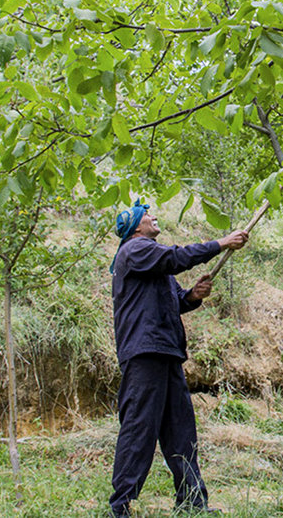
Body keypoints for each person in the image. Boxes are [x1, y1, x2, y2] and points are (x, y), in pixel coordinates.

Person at [108, 200, 249, 517]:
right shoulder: (135, 250)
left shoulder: (151, 262)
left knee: (181, 431)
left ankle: (192, 503)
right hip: (144, 354)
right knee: (140, 427)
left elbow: (174, 301)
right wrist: (221, 243)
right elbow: (176, 257)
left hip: (166, 352)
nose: (154, 217)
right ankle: (120, 506)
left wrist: (192, 296)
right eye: (147, 215)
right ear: (136, 227)